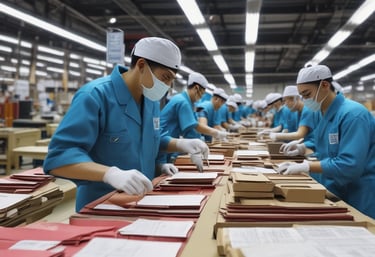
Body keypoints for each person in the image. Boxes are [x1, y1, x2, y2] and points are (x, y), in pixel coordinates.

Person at [43, 37, 209, 211]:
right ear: (142, 65)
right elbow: (59, 158)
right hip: (100, 206)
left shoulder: (150, 101)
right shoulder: (95, 96)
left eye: (171, 81)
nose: (167, 87)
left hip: (141, 201)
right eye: (165, 78)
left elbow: (149, 140)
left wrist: (178, 147)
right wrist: (109, 174)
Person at [278, 64, 375, 219]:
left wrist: (306, 165)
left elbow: (349, 164)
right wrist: (303, 148)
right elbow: (324, 146)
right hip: (335, 186)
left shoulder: (353, 115)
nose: (305, 100)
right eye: (302, 96)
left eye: (307, 94)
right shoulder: (320, 113)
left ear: (325, 85)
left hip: (360, 191)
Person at [157, 72, 228, 164]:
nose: (201, 97)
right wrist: (216, 133)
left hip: (168, 142)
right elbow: (194, 127)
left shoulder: (188, 102)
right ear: (196, 88)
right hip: (164, 141)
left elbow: (194, 124)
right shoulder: (183, 102)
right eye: (202, 94)